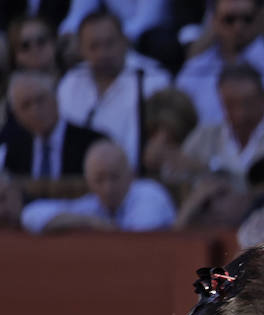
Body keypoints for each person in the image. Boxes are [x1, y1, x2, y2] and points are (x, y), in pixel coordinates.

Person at [57, 9, 170, 166]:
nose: (103, 53)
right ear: (81, 49)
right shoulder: (71, 81)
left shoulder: (153, 80)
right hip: (76, 178)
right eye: (94, 46)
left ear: (125, 40)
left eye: (109, 43)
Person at [175, 0, 264, 129]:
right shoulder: (195, 68)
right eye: (229, 20)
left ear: (259, 20)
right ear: (213, 21)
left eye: (247, 19)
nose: (238, 27)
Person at [21, 137, 175, 231]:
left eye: (114, 177)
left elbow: (136, 238)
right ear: (88, 182)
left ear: (130, 175)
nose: (108, 187)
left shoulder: (148, 193)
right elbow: (31, 215)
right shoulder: (93, 205)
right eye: (99, 180)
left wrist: (100, 225)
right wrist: (88, 221)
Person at [180, 61, 264, 181]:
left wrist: (210, 170)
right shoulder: (204, 136)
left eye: (248, 103)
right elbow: (180, 170)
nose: (240, 113)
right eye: (231, 104)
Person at [2, 71, 107, 179]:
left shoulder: (92, 144)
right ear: (17, 115)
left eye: (40, 100)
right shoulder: (14, 150)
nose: (35, 110)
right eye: (26, 105)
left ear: (56, 99)